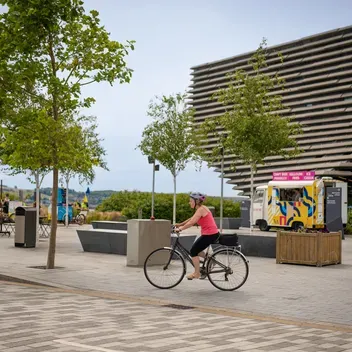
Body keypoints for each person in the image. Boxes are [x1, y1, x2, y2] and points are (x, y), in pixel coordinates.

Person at [175, 192, 219, 280]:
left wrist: (180, 229)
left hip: (210, 235)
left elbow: (192, 222)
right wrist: (180, 224)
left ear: (197, 201)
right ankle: (211, 259)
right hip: (210, 234)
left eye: (191, 201)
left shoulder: (201, 209)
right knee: (196, 250)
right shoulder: (201, 209)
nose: (189, 202)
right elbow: (191, 219)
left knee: (193, 251)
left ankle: (197, 273)